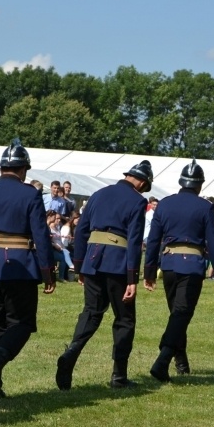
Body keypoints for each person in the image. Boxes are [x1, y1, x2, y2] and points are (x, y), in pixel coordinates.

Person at [0, 139, 55, 401]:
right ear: (23, 170)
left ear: (1, 168)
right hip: (18, 264)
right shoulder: (30, 193)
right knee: (22, 323)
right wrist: (47, 271)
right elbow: (40, 233)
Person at [56, 160, 152, 390]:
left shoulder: (98, 194)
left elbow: (82, 231)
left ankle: (71, 352)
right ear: (141, 182)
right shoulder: (137, 201)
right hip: (118, 264)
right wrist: (132, 278)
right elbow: (135, 240)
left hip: (92, 260)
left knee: (91, 312)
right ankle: (119, 376)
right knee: (124, 319)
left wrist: (79, 265)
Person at [144, 159, 214, 382]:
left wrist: (149, 272)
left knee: (177, 315)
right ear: (199, 185)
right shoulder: (205, 206)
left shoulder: (165, 204)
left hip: (169, 264)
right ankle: (163, 360)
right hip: (192, 265)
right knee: (181, 314)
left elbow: (153, 240)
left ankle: (181, 363)